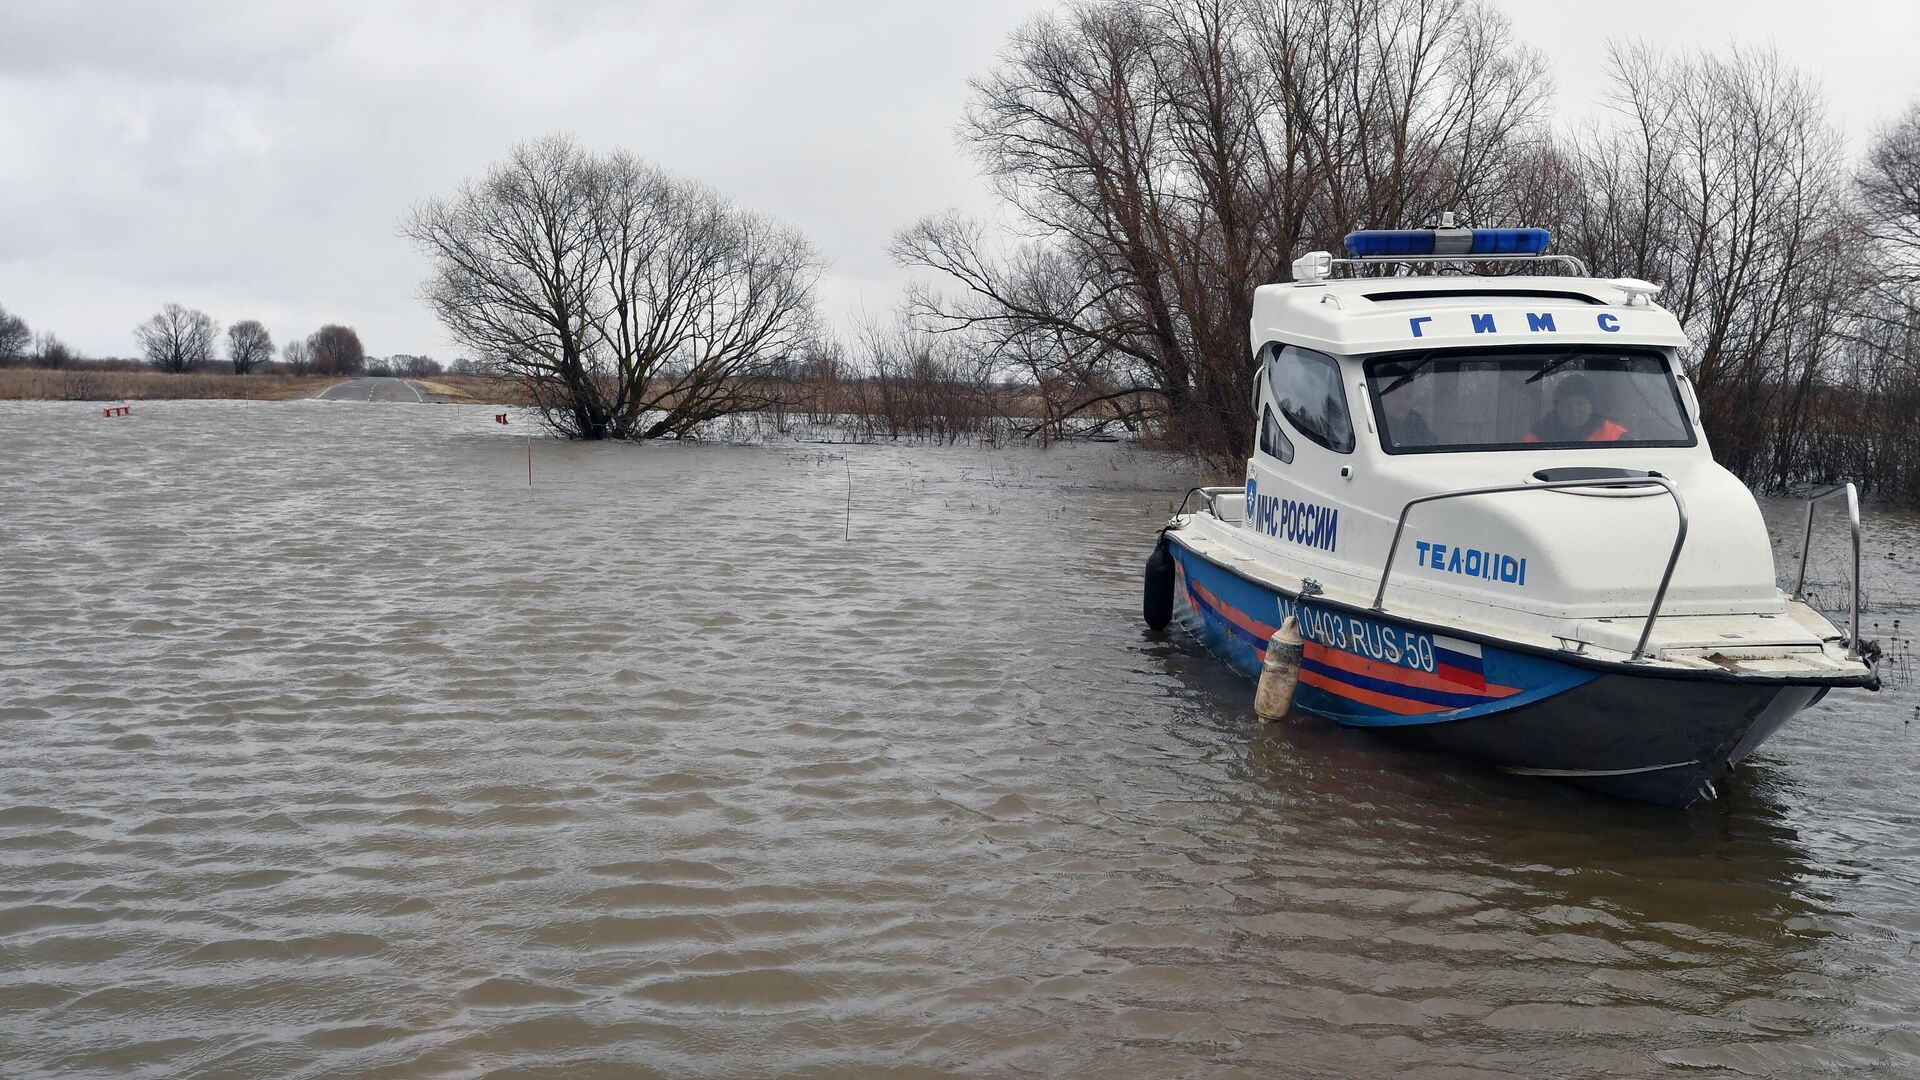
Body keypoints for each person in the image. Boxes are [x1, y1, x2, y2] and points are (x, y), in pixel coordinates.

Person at [1524, 374, 1626, 443]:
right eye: (1567, 405)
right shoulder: (1536, 436)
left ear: (1592, 405)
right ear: (1557, 408)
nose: (1574, 411)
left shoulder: (1617, 436)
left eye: (1580, 403)